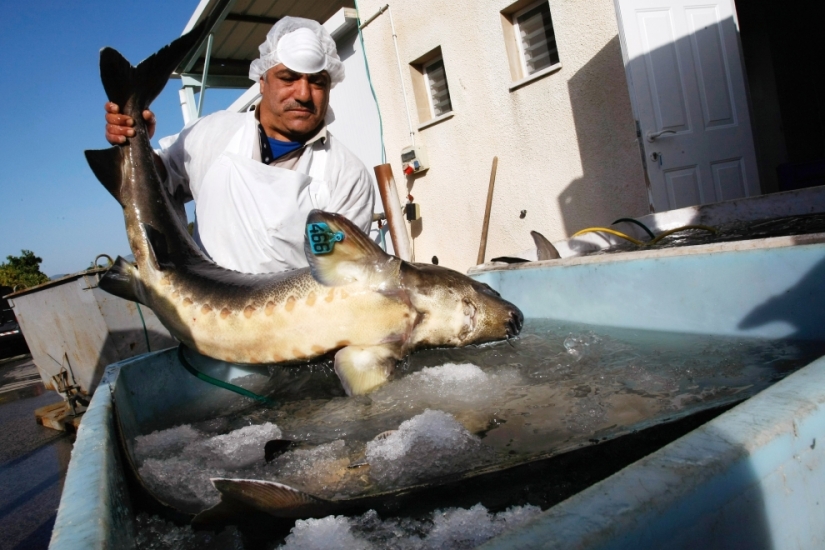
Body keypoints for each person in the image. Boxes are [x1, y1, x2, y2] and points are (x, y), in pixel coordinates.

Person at [105, 17, 375, 274]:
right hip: (200, 312)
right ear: (262, 80)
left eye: (317, 81)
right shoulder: (211, 132)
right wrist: (132, 135)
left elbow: (337, 274)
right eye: (288, 78)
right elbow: (163, 177)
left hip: (297, 321)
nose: (303, 94)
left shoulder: (347, 176)